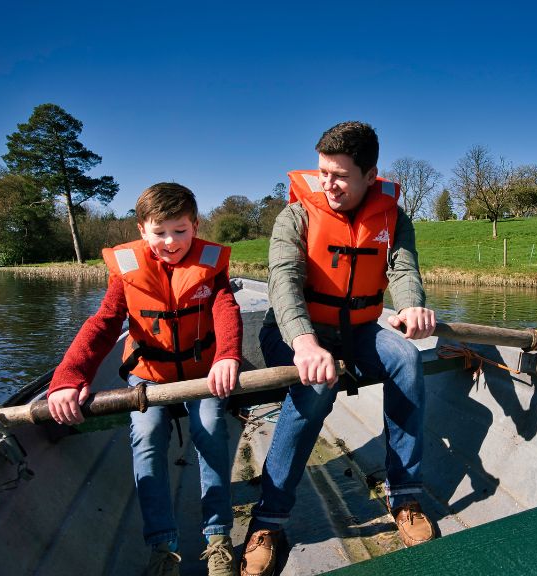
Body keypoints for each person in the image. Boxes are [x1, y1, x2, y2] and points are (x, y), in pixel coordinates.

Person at [242, 121, 436, 576]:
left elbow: (404, 271)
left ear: (370, 175)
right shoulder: (296, 215)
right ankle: (269, 519)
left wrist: (411, 307)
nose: (327, 184)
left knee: (407, 358)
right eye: (322, 171)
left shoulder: (393, 218)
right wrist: (306, 343)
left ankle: (404, 495)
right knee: (315, 386)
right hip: (294, 331)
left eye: (340, 175)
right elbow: (284, 282)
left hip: (359, 329)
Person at [47, 183, 243, 576]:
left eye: (181, 230)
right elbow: (103, 325)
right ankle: (163, 548)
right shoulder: (127, 272)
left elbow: (225, 309)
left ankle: (218, 539)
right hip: (148, 378)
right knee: (148, 439)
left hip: (203, 374)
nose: (171, 242)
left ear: (196, 225)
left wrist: (227, 356)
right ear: (142, 230)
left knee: (209, 431)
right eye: (160, 232)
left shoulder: (211, 265)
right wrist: (70, 375)